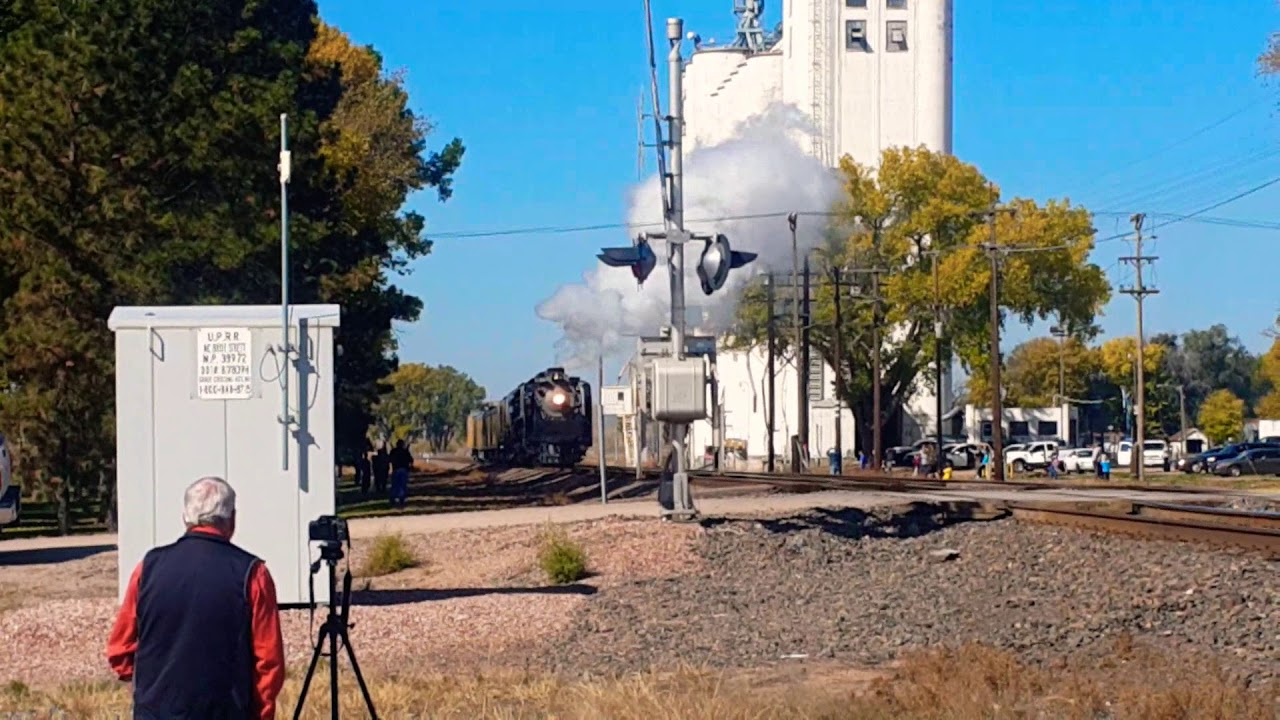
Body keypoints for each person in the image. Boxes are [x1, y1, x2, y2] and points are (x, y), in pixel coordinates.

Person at [107, 476, 285, 720]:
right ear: (232, 520)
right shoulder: (253, 574)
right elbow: (268, 661)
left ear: (185, 518)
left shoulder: (147, 568)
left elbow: (119, 650)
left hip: (156, 711)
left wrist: (148, 689)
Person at [389, 439, 414, 508]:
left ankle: (393, 498)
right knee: (402, 485)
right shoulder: (405, 452)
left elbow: (389, 459)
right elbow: (411, 460)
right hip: (404, 470)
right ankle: (401, 499)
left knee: (395, 485)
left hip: (396, 469)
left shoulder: (393, 451)